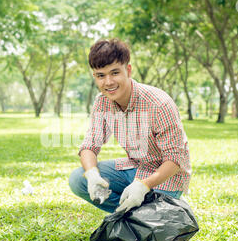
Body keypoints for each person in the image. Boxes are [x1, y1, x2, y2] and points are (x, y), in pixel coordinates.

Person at [69, 38, 191, 213]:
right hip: (135, 167)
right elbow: (90, 144)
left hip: (167, 177)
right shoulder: (102, 102)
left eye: (115, 73)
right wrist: (92, 174)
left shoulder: (159, 103)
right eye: (101, 76)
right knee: (77, 179)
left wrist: (144, 186)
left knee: (150, 228)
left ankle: (148, 213)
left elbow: (176, 160)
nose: (108, 82)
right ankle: (133, 216)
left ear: (128, 70)